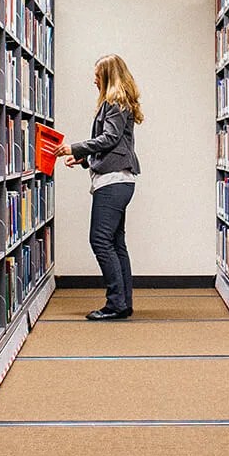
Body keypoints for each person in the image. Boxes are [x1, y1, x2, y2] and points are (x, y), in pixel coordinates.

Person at [56, 54, 142, 321]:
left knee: (100, 240)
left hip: (113, 183)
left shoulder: (115, 102)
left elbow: (110, 138)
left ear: (108, 75)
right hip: (118, 180)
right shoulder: (118, 103)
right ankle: (123, 302)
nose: (93, 79)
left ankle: (115, 304)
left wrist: (76, 147)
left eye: (97, 74)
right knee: (116, 243)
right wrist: (84, 159)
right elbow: (113, 146)